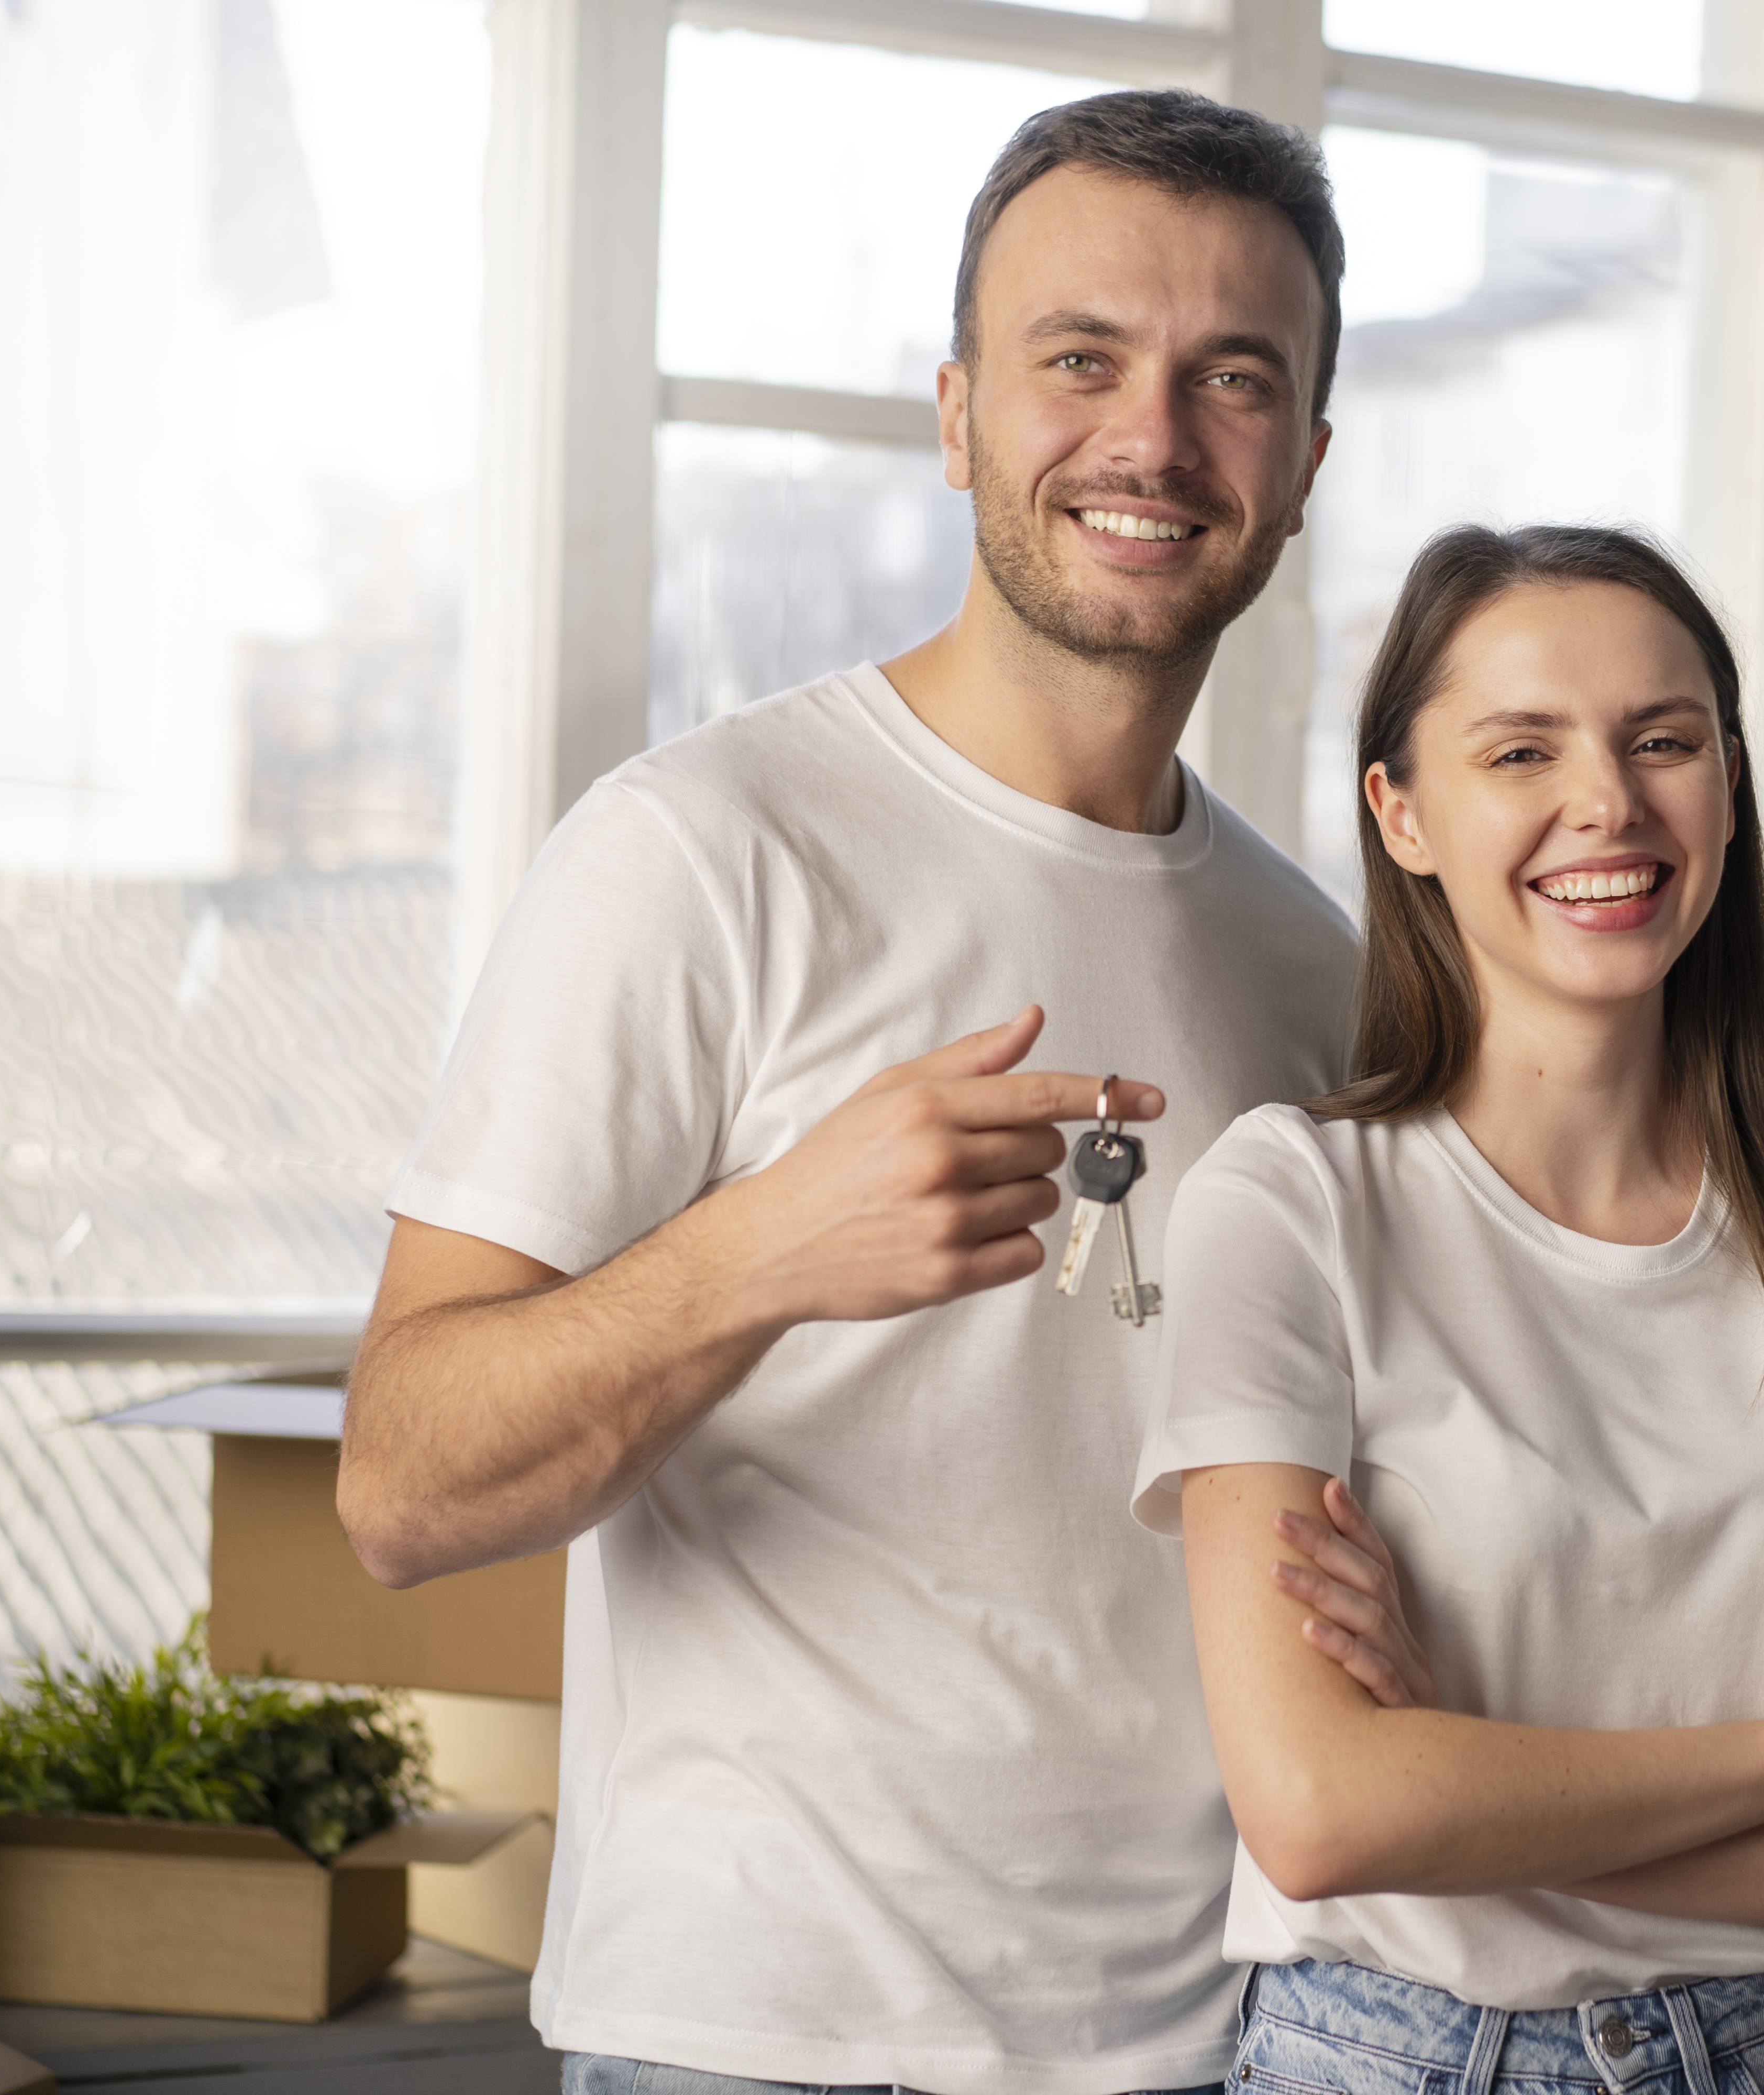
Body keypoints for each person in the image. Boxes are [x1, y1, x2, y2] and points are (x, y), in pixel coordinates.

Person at [337, 90, 1406, 2093]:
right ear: (955, 414)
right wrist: (760, 1253)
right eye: (1078, 359)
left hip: (1222, 2039)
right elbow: (400, 1485)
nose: (1151, 438)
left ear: (1309, 460)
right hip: (761, 2040)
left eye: (1232, 379)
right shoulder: (704, 847)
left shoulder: (1319, 973)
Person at [1134, 524, 1764, 2092]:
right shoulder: (1293, 1205)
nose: (1611, 802)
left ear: (1726, 786)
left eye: (1667, 741)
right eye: (1522, 749)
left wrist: (1477, 1779)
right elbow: (1322, 1811)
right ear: (1404, 812)